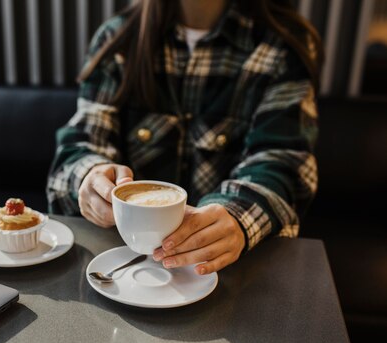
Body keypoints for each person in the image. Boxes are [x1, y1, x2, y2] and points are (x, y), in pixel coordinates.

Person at [47, 0, 323, 275]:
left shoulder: (283, 45)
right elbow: (83, 143)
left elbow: (283, 161)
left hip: (234, 272)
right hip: (124, 270)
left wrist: (237, 218)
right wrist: (90, 176)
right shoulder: (118, 38)